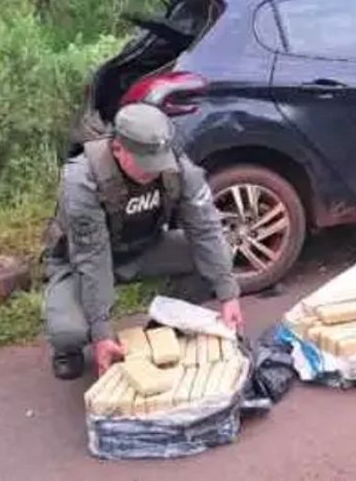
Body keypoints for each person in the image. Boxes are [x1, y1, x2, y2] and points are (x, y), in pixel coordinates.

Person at [42, 102, 243, 380]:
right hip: (81, 262)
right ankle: (69, 349)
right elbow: (92, 258)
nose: (154, 171)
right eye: (145, 163)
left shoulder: (177, 166)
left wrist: (228, 293)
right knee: (68, 332)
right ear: (118, 148)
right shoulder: (82, 180)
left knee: (214, 260)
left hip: (142, 247)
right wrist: (101, 331)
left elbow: (206, 228)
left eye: (158, 162)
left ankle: (162, 328)